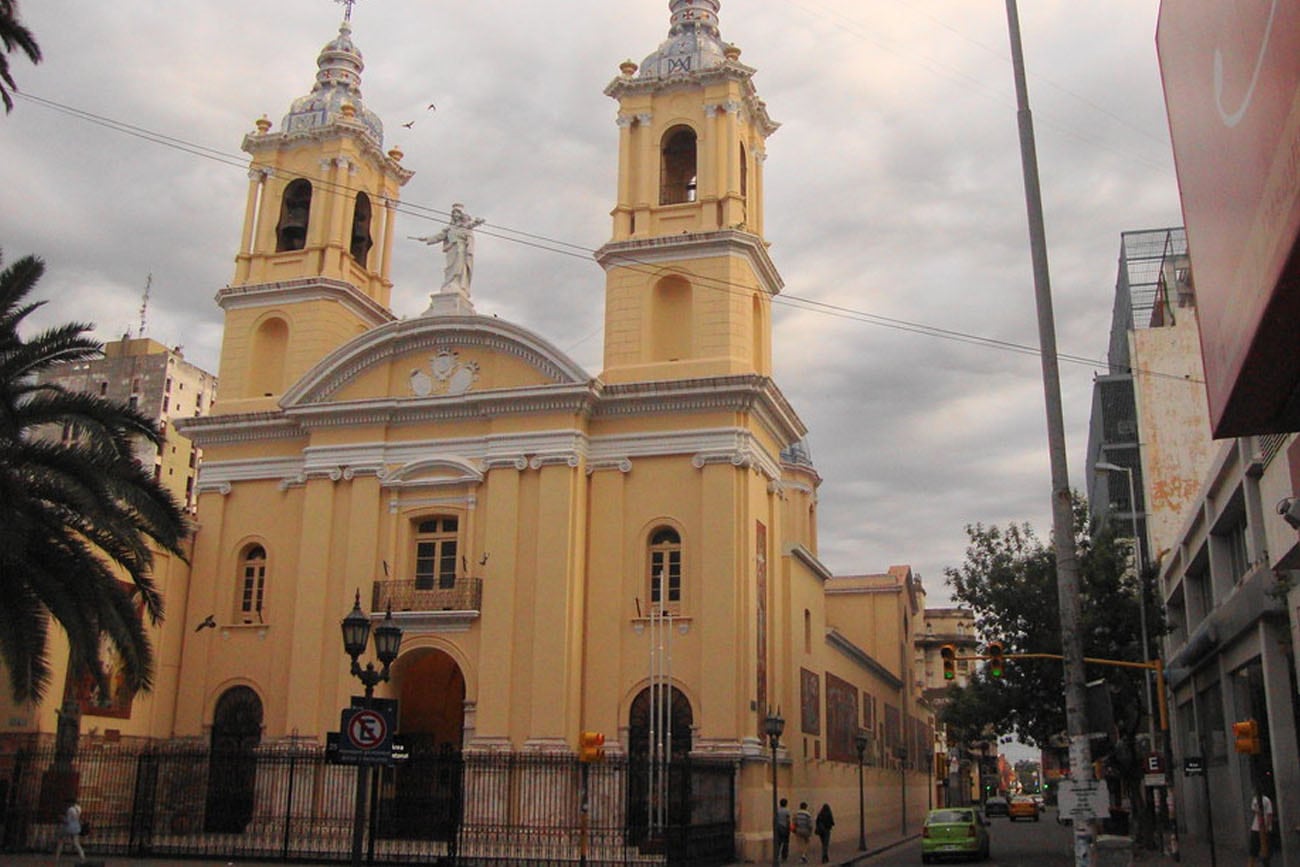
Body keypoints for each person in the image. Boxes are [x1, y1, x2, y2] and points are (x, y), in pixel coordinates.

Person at [411, 203, 486, 293]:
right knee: (449, 268)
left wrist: (478, 221)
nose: (455, 215)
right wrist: (426, 238)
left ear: (461, 215)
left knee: (459, 266)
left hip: (460, 249)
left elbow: (473, 224)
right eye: (453, 213)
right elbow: (438, 237)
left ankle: (457, 284)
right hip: (451, 249)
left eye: (457, 213)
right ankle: (449, 283)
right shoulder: (450, 228)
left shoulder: (466, 227)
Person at [1248, 792, 1275, 867]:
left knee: (1266, 851)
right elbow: (1254, 810)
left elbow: (1269, 814)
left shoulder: (1266, 800)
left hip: (1265, 828)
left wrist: (1266, 827)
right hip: (1256, 828)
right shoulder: (1254, 799)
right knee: (1253, 851)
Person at [54, 797, 85, 861]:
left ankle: (57, 857)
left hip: (68, 827)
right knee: (76, 843)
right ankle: (82, 855)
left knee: (61, 841)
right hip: (76, 827)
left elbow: (68, 820)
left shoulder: (70, 809)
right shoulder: (78, 808)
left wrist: (62, 818)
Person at [775, 797, 791, 862]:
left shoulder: (777, 810)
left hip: (778, 827)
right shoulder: (787, 810)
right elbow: (788, 820)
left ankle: (777, 855)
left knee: (778, 842)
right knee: (785, 843)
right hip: (785, 827)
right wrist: (789, 827)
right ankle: (784, 856)